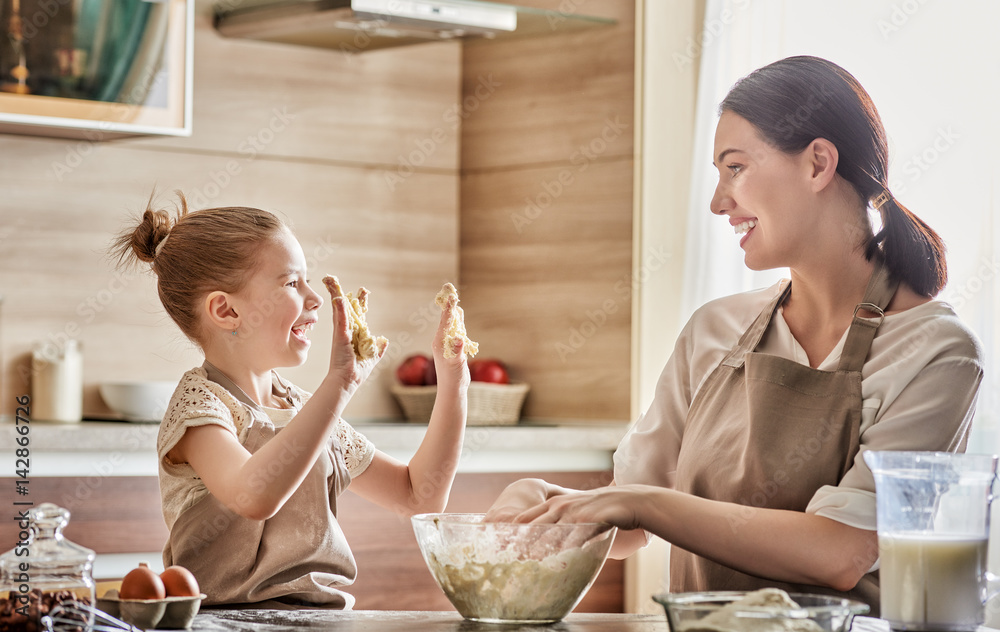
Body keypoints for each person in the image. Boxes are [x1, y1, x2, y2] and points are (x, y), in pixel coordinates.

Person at [486, 56, 983, 611]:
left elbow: (842, 551)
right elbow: (625, 522)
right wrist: (549, 504)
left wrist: (643, 504)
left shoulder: (938, 352)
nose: (719, 203)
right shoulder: (713, 330)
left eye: (736, 168)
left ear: (818, 163)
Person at [112, 196, 470, 609]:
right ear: (226, 310)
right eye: (291, 283)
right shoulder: (201, 407)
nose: (314, 298)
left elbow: (417, 496)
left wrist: (454, 383)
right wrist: (341, 382)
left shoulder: (306, 408)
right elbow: (253, 496)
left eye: (307, 280)